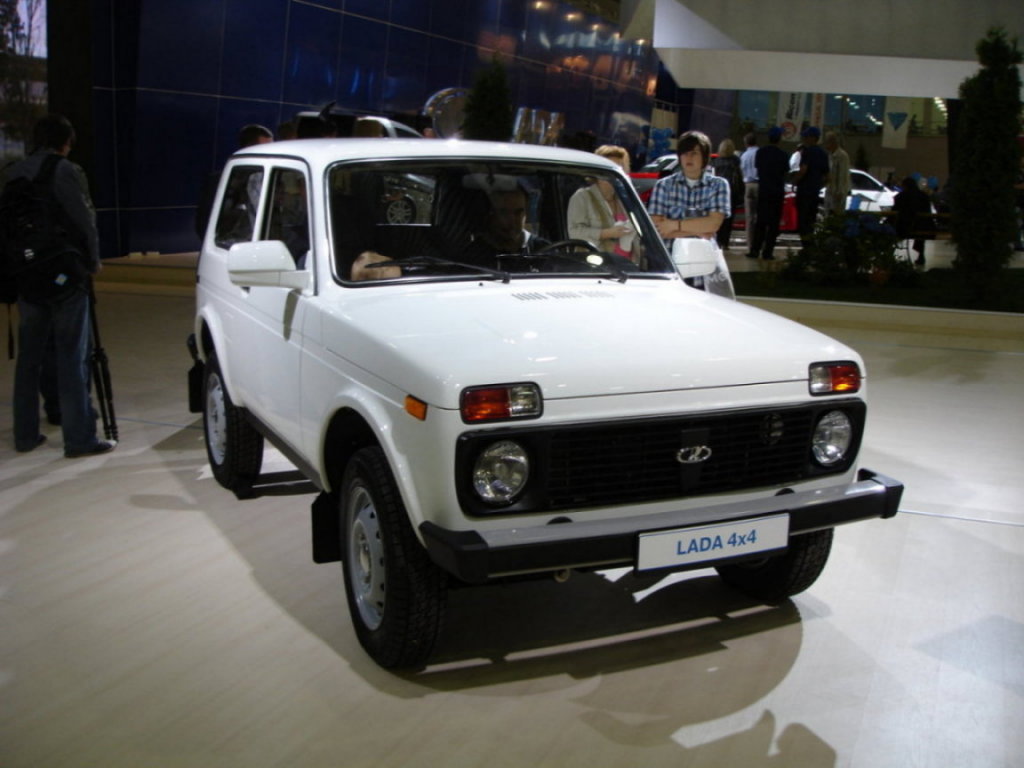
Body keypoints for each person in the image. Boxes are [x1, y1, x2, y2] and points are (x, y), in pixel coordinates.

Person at [6, 114, 114, 457]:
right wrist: (93, 261)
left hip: (26, 273)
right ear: (66, 142)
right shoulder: (65, 170)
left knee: (29, 358)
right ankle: (79, 438)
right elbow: (85, 220)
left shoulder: (12, 172)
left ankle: (25, 434)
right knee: (72, 355)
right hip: (63, 273)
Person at [648, 130, 731, 244]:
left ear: (704, 156)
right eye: (685, 153)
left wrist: (673, 225)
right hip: (670, 251)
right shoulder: (663, 185)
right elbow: (658, 229)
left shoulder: (718, 185)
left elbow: (713, 224)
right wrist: (699, 231)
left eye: (694, 153)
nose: (689, 157)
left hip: (704, 251)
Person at [194, 123, 273, 240]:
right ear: (249, 148)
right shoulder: (222, 181)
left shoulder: (269, 178)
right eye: (265, 148)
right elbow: (204, 223)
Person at [566, 145, 636, 260]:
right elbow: (574, 233)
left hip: (628, 264)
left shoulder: (626, 198)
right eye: (608, 168)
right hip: (596, 263)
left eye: (619, 168)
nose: (612, 174)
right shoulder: (582, 197)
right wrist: (607, 233)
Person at [748, 126, 789, 260]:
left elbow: (758, 168)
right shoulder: (783, 155)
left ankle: (755, 250)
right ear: (779, 139)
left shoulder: (761, 152)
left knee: (760, 221)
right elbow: (785, 172)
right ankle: (768, 252)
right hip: (777, 191)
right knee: (773, 224)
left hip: (764, 190)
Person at [792, 126, 829, 243]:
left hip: (804, 191)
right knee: (811, 220)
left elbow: (803, 169)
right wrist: (818, 185)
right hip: (814, 193)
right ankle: (810, 246)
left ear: (813, 138)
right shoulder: (823, 154)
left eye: (806, 136)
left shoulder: (808, 152)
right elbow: (827, 176)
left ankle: (806, 246)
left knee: (803, 221)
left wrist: (795, 181)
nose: (804, 139)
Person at [710, 138, 743, 251]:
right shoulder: (735, 161)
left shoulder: (716, 161)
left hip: (718, 191)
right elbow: (739, 176)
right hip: (732, 191)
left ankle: (717, 240)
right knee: (729, 218)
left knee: (719, 216)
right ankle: (725, 242)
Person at [893, 176, 933, 266]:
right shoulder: (923, 196)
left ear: (905, 186)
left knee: (889, 229)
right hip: (923, 227)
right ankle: (921, 255)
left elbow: (895, 211)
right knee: (920, 228)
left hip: (904, 227)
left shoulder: (901, 196)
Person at [823, 131, 851, 216]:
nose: (825, 144)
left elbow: (843, 174)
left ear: (833, 142)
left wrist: (840, 191)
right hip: (830, 190)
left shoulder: (842, 156)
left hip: (838, 192)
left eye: (827, 141)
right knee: (828, 214)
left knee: (836, 215)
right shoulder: (829, 156)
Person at [739, 133, 759, 254]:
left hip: (748, 185)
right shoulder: (759, 153)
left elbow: (742, 170)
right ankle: (759, 244)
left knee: (750, 217)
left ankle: (750, 246)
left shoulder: (744, 155)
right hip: (759, 184)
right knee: (759, 215)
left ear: (746, 143)